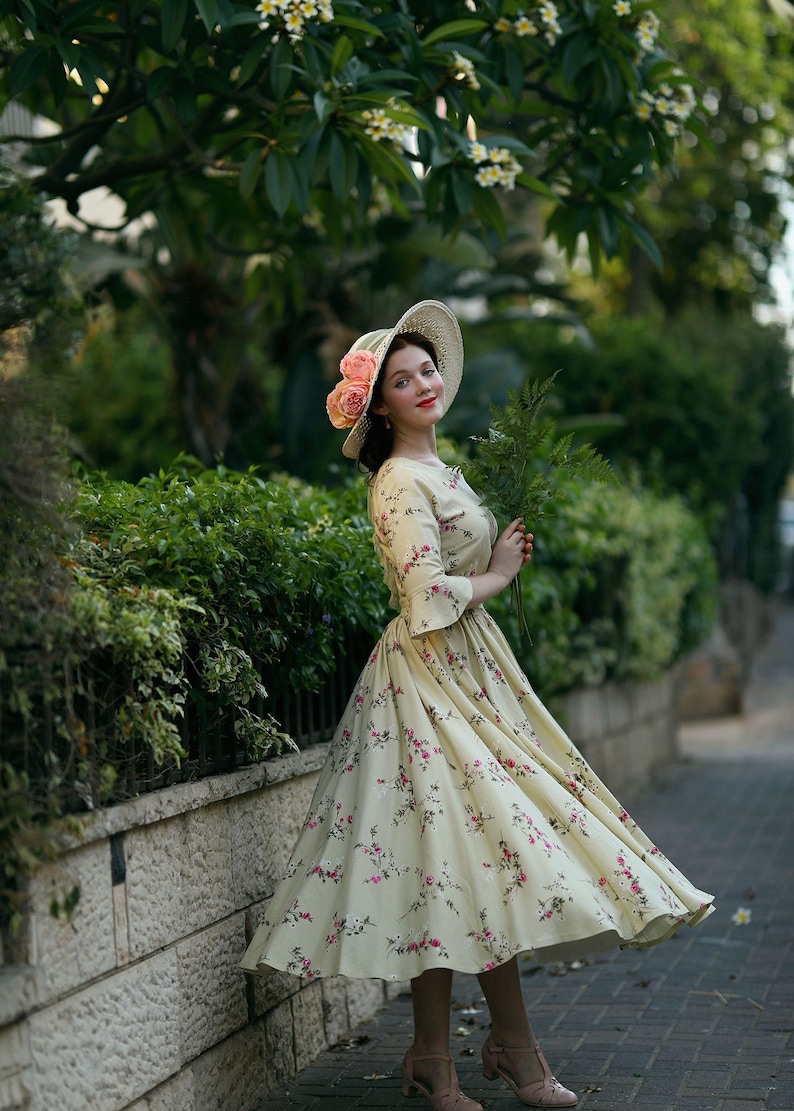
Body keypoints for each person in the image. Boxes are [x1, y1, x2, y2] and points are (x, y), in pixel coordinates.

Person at [241, 300, 714, 1110]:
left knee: (469, 862)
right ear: (381, 406)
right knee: (457, 861)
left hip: (473, 675)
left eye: (426, 369)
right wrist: (495, 573)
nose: (423, 382)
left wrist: (498, 565)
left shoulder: (440, 470)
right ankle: (480, 1055)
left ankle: (459, 1053)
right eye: (402, 378)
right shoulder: (396, 482)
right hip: (425, 688)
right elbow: (426, 597)